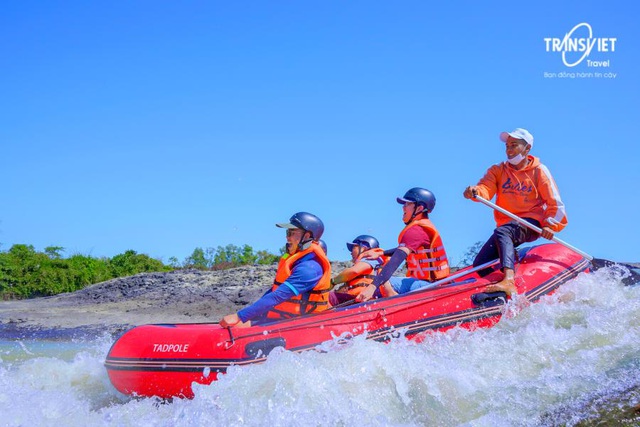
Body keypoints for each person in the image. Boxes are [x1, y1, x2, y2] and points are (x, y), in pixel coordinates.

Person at [463, 128, 567, 296]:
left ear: (527, 149)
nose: (509, 150)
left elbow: (556, 204)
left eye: (514, 145)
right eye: (507, 146)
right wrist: (475, 192)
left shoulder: (539, 171)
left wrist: (550, 226)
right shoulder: (497, 170)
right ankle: (509, 281)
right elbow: (485, 189)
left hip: (531, 222)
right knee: (480, 264)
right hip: (507, 226)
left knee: (504, 231)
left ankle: (508, 280)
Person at [219, 212, 332, 328]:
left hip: (299, 326)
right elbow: (274, 291)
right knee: (233, 327)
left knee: (237, 325)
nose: (287, 237)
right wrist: (249, 315)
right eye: (287, 232)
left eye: (291, 233)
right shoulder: (299, 262)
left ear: (307, 236)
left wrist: (239, 316)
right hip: (281, 319)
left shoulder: (309, 269)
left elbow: (277, 296)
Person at [356, 188, 450, 302]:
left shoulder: (417, 231)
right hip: (427, 282)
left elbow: (395, 261)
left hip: (430, 285)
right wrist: (381, 253)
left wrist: (372, 287)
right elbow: (404, 250)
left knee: (382, 282)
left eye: (407, 204)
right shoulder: (420, 229)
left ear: (419, 208)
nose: (403, 207)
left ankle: (396, 303)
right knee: (381, 281)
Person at [329, 235, 387, 306]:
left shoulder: (371, 258)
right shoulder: (370, 261)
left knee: (327, 297)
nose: (351, 253)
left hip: (363, 299)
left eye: (354, 248)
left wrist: (333, 282)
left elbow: (354, 271)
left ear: (364, 248)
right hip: (357, 299)